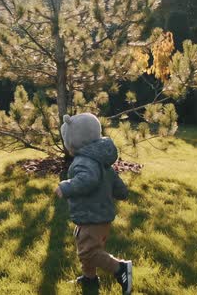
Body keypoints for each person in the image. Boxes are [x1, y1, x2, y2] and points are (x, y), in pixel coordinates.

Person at [55, 113, 132, 295]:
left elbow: (87, 180)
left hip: (92, 216)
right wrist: (122, 193)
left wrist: (65, 187)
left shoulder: (84, 161)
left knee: (88, 252)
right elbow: (113, 180)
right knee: (86, 248)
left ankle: (120, 268)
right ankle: (89, 278)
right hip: (99, 215)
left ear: (73, 141)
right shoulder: (99, 159)